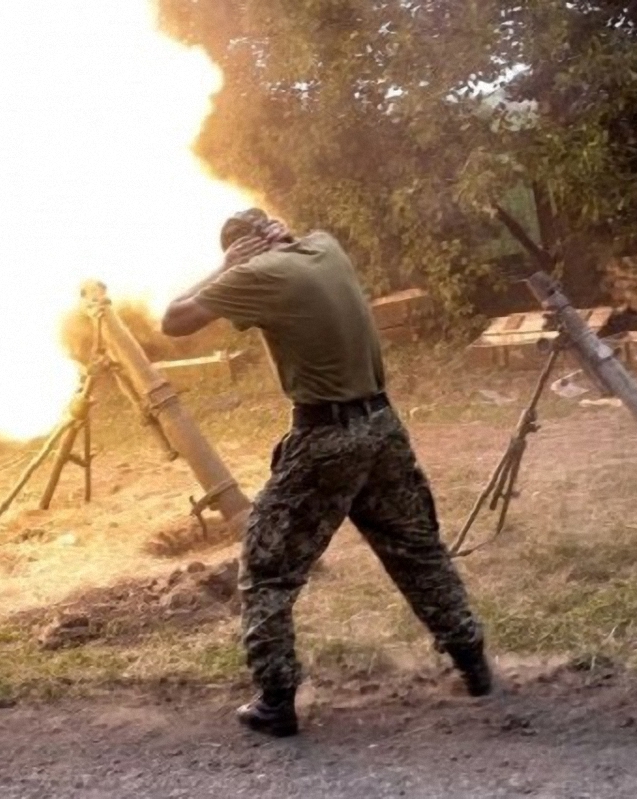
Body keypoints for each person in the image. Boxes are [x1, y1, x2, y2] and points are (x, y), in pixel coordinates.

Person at [160, 209, 490, 737]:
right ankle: (473, 663)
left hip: (326, 439)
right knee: (416, 550)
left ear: (243, 249)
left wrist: (222, 268)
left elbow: (174, 321)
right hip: (382, 427)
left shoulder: (254, 274)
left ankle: (275, 701)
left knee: (266, 567)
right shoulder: (324, 246)